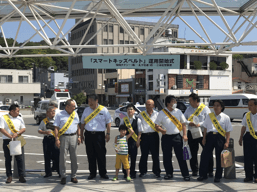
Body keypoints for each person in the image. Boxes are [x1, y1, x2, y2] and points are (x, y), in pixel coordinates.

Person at [155, 95, 190, 181]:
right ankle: (169, 173)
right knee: (167, 157)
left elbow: (183, 124)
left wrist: (185, 135)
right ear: (168, 103)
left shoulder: (178, 112)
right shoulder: (162, 113)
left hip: (177, 137)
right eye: (173, 102)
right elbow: (156, 125)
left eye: (175, 102)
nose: (175, 103)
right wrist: (161, 130)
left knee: (181, 156)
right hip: (166, 137)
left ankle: (185, 174)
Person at [197, 100, 233, 183]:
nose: (215, 107)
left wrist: (227, 142)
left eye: (217, 105)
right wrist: (204, 138)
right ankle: (203, 175)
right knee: (204, 156)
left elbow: (228, 131)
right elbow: (205, 128)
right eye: (214, 105)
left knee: (219, 158)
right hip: (209, 137)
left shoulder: (226, 117)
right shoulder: (209, 116)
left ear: (221, 107)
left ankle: (218, 176)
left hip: (220, 137)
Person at [80, 94, 112, 180]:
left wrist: (108, 133)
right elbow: (82, 123)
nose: (90, 103)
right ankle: (92, 173)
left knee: (101, 154)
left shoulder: (103, 109)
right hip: (88, 135)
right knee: (90, 154)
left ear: (96, 100)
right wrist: (81, 135)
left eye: (92, 101)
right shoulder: (86, 110)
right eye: (89, 101)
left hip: (99, 135)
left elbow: (109, 122)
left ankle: (103, 173)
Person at [184, 93, 213, 177]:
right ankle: (194, 170)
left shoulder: (205, 108)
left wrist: (199, 124)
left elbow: (208, 120)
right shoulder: (188, 109)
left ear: (196, 100)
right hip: (192, 132)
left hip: (203, 132)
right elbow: (183, 118)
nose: (189, 102)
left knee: (207, 151)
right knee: (193, 152)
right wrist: (190, 123)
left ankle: (209, 170)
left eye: (190, 100)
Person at [54, 99, 81, 185]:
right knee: (63, 158)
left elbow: (78, 126)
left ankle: (73, 176)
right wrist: (57, 139)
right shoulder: (59, 114)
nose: (74, 108)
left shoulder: (75, 114)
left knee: (74, 157)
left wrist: (79, 136)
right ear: (67, 106)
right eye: (73, 106)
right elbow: (56, 128)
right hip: (63, 137)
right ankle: (63, 176)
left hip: (74, 136)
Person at [0, 104, 26, 183]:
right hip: (7, 140)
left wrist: (17, 134)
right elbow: (1, 128)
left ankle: (21, 176)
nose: (18, 112)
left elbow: (23, 128)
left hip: (18, 139)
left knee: (20, 159)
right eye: (17, 111)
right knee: (8, 159)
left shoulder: (20, 118)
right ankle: (9, 176)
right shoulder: (3, 117)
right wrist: (10, 136)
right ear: (12, 111)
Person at [137, 99, 161, 178]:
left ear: (153, 106)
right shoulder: (141, 114)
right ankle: (143, 171)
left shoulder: (157, 114)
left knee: (155, 155)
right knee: (144, 155)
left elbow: (161, 124)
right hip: (144, 137)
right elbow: (138, 126)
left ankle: (156, 171)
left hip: (154, 136)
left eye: (150, 104)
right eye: (147, 104)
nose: (148, 106)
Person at [120, 103, 141, 179]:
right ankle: (125, 172)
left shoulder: (138, 120)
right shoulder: (124, 119)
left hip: (134, 141)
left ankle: (132, 172)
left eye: (131, 109)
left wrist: (138, 140)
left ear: (134, 110)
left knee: (133, 157)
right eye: (128, 109)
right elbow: (121, 130)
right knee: (125, 157)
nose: (130, 111)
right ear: (126, 110)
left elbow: (139, 131)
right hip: (125, 141)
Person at [38, 106, 60, 178]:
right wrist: (45, 132)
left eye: (54, 111)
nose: (53, 112)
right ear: (47, 113)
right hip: (47, 139)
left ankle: (59, 171)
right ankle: (48, 172)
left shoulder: (57, 120)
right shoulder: (44, 121)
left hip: (55, 139)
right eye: (51, 111)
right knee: (47, 156)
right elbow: (39, 130)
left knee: (57, 156)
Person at [239, 99, 257, 182]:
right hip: (248, 136)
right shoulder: (247, 115)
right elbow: (244, 127)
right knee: (247, 157)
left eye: (251, 105)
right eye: (248, 105)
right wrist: (240, 137)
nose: (249, 107)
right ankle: (248, 176)